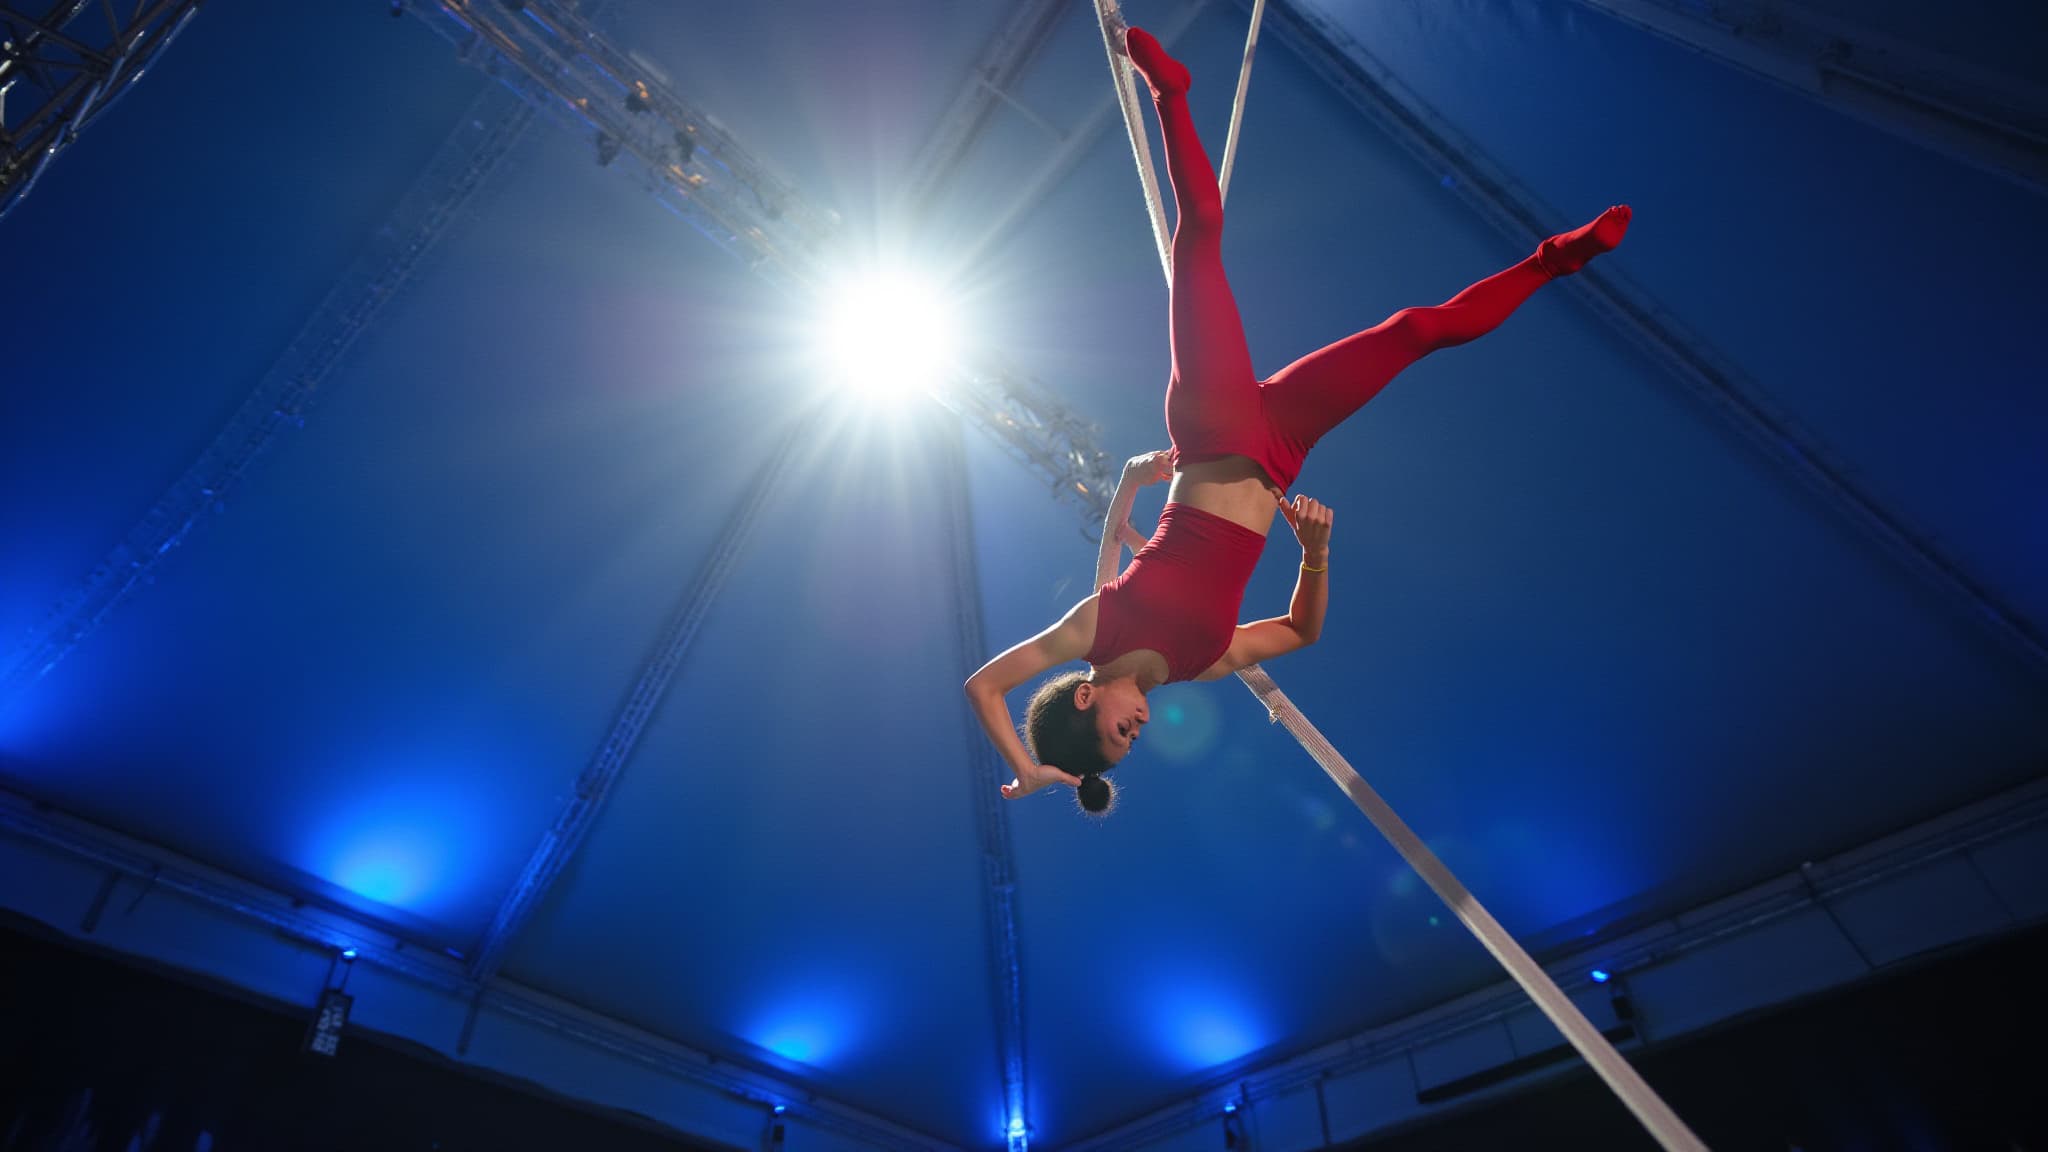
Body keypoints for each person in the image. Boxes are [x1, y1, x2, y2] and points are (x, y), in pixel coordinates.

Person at [963, 25, 1631, 814]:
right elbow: (1300, 633)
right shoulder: (1201, 663)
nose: (1138, 728)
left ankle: (1169, 93)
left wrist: (1029, 766)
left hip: (1210, 429)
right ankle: (1553, 262)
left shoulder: (1095, 628)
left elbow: (985, 684)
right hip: (1280, 447)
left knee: (1199, 244)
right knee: (1413, 334)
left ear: (1085, 700)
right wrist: (1314, 555)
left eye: (1119, 731)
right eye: (1135, 741)